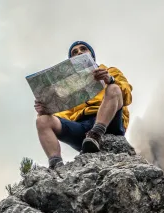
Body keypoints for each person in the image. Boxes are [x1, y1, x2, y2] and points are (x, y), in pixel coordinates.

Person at [35, 41, 133, 169]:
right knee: (42, 121)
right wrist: (45, 110)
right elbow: (63, 114)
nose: (79, 52)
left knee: (114, 88)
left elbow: (127, 95)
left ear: (92, 56)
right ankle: (56, 165)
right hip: (82, 128)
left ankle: (96, 134)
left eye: (83, 49)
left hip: (110, 121)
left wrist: (110, 79)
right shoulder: (67, 86)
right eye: (74, 52)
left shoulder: (110, 71)